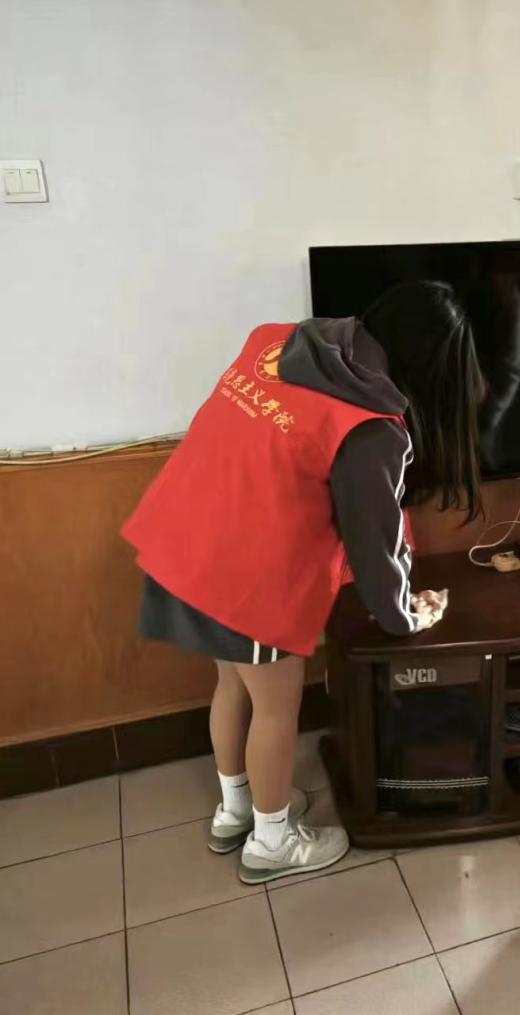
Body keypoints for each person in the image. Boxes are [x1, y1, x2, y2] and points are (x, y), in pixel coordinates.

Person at [122, 281, 484, 884]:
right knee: (275, 708)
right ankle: (272, 841)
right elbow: (374, 542)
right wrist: (405, 615)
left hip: (186, 540)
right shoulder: (371, 427)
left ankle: (236, 810)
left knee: (231, 684)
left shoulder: (276, 343)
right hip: (247, 577)